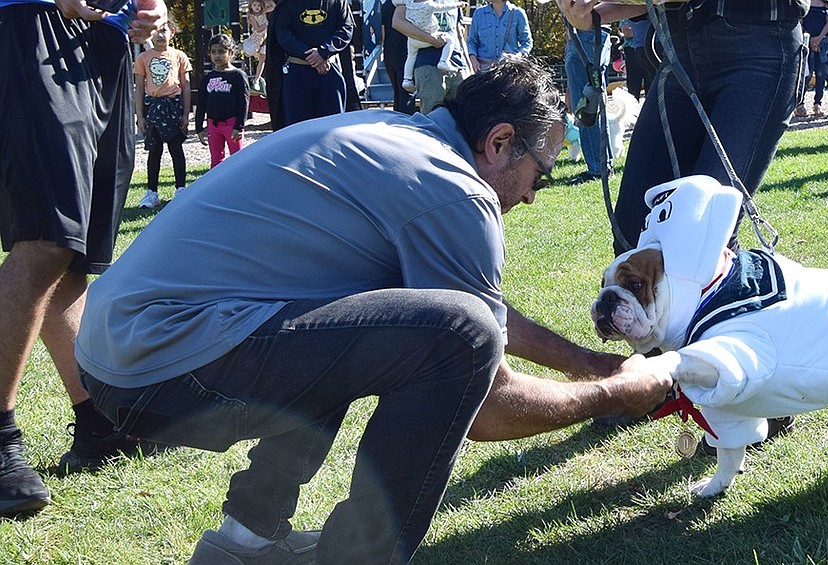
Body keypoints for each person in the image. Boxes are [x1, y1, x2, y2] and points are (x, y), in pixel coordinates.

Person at [74, 56, 672, 563]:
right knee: (460, 335)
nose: (535, 191)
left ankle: (246, 538)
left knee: (378, 313)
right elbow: (487, 401)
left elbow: (464, 303)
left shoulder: (395, 139)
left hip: (116, 351)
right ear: (499, 143)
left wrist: (588, 363)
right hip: (161, 366)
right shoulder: (456, 191)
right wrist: (618, 392)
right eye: (539, 170)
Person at [0, 0, 167, 517]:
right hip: (32, 25)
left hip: (105, 42)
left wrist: (146, 10)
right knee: (47, 237)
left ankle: (96, 422)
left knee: (79, 253)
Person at [554, 0, 805, 255]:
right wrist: (593, 14)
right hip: (681, 49)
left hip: (759, 47)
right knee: (633, 232)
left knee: (707, 231)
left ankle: (745, 289)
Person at [134, 19, 191, 209]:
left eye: (164, 30)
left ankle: (181, 188)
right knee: (154, 151)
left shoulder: (179, 56)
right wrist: (140, 116)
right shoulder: (143, 58)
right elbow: (139, 88)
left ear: (172, 33)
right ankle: (152, 192)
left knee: (176, 148)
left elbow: (186, 86)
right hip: (153, 108)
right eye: (156, 31)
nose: (160, 34)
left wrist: (185, 113)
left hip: (173, 106)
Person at [272, 0, 353, 125]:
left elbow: (345, 29)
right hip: (298, 74)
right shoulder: (287, 3)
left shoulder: (338, 2)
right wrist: (310, 55)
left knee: (333, 127)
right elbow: (283, 34)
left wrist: (324, 52)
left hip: (329, 70)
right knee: (298, 129)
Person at [392, 0, 469, 113]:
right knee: (432, 120)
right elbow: (397, 22)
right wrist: (430, 39)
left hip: (458, 65)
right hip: (429, 66)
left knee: (464, 119)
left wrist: (468, 65)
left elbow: (458, 32)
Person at [563, 21, 611, 184]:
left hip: (585, 32)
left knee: (587, 108)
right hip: (590, 32)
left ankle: (597, 168)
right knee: (594, 103)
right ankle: (602, 165)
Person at [195, 34, 250, 169]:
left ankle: (239, 186)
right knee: (216, 159)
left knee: (238, 159)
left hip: (232, 124)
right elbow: (201, 102)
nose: (217, 56)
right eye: (213, 52)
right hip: (213, 125)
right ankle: (218, 188)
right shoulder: (209, 77)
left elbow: (244, 102)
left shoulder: (238, 76)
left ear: (231, 53)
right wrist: (199, 127)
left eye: (221, 51)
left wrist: (239, 126)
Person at [400, 0, 465, 92]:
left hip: (457, 63)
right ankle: (443, 61)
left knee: (410, 57)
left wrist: (466, 63)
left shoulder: (410, 2)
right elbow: (397, 22)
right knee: (450, 40)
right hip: (429, 63)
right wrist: (430, 39)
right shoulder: (429, 4)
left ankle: (407, 79)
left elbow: (459, 34)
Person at [468, 0, 533, 73]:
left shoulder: (518, 13)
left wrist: (518, 56)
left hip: (508, 71)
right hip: (483, 71)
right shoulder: (479, 13)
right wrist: (473, 59)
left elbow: (527, 42)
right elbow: (472, 41)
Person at [798, 0, 828, 117]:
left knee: (820, 74)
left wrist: (818, 39)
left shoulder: (826, 4)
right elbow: (800, 22)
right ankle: (800, 104)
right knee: (806, 74)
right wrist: (810, 39)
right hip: (807, 41)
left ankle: (817, 103)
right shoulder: (805, 3)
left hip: (822, 43)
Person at [382, 0, 417, 113]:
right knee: (407, 94)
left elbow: (383, 33)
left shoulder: (386, 4)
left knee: (397, 93)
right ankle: (405, 125)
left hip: (389, 52)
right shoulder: (408, 3)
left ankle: (397, 123)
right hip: (404, 52)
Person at [619, 16, 655, 101]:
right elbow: (626, 31)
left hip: (650, 49)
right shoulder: (627, 10)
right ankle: (633, 107)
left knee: (651, 83)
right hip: (633, 49)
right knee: (633, 85)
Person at [241, 0, 270, 86]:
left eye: (258, 5)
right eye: (254, 5)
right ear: (251, 6)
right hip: (257, 38)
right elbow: (258, 28)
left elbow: (273, 6)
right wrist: (267, 24)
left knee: (262, 59)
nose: (256, 7)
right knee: (249, 52)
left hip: (265, 38)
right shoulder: (251, 16)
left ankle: (257, 79)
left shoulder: (263, 12)